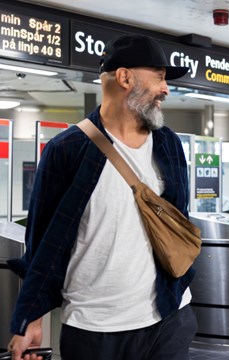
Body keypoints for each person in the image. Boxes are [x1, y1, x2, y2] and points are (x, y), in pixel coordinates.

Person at [6, 34, 196, 360]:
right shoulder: (66, 151)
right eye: (160, 78)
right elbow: (42, 246)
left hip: (170, 317)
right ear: (125, 78)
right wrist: (29, 320)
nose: (166, 89)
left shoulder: (169, 144)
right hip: (95, 329)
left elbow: (177, 220)